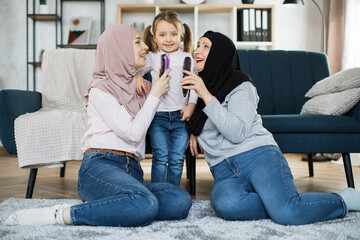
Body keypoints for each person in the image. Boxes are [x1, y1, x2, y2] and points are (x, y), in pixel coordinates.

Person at [5, 24, 192, 227]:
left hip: (132, 170)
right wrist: (154, 94)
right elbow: (132, 132)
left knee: (180, 200)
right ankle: (61, 215)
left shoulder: (144, 88)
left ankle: (120, 203)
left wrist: (194, 131)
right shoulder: (100, 89)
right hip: (100, 165)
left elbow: (173, 107)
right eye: (138, 42)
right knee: (146, 204)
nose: (146, 47)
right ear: (119, 49)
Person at [180, 31, 360, 225]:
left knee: (288, 213)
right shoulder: (195, 90)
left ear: (220, 54)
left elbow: (237, 132)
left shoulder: (239, 83)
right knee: (227, 204)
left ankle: (342, 201)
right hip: (223, 169)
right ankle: (278, 201)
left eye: (205, 46)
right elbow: (193, 118)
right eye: (197, 45)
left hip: (257, 155)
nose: (197, 50)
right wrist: (193, 131)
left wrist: (206, 95)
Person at [136, 10, 197, 186]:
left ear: (181, 36)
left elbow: (194, 84)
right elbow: (136, 70)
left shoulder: (187, 58)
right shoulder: (152, 58)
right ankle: (158, 191)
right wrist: (139, 77)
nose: (168, 39)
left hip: (181, 116)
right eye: (162, 35)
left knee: (177, 158)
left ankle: (172, 193)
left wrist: (191, 105)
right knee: (160, 157)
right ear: (154, 37)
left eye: (173, 34)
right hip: (158, 116)